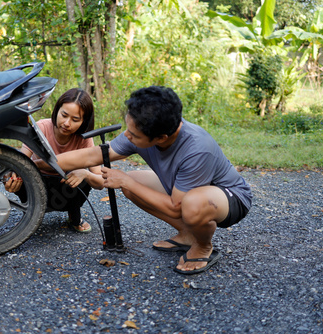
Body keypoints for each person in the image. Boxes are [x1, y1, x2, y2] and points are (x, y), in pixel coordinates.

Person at [36, 86, 252, 275]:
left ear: (161, 138)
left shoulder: (197, 149)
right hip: (187, 192)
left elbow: (177, 207)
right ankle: (188, 235)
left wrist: (126, 182)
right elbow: (94, 155)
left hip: (228, 197)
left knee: (188, 203)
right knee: (136, 179)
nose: (127, 137)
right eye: (128, 129)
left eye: (134, 136)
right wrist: (40, 163)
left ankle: (203, 247)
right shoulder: (143, 127)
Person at [5, 88, 104, 232]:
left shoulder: (84, 138)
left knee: (82, 179)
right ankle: (31, 214)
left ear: (84, 122)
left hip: (65, 187)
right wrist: (11, 178)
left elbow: (101, 182)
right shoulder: (42, 127)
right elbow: (22, 160)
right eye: (64, 115)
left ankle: (74, 216)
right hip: (38, 185)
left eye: (75, 119)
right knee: (21, 173)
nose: (67, 123)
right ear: (57, 110)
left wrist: (85, 173)